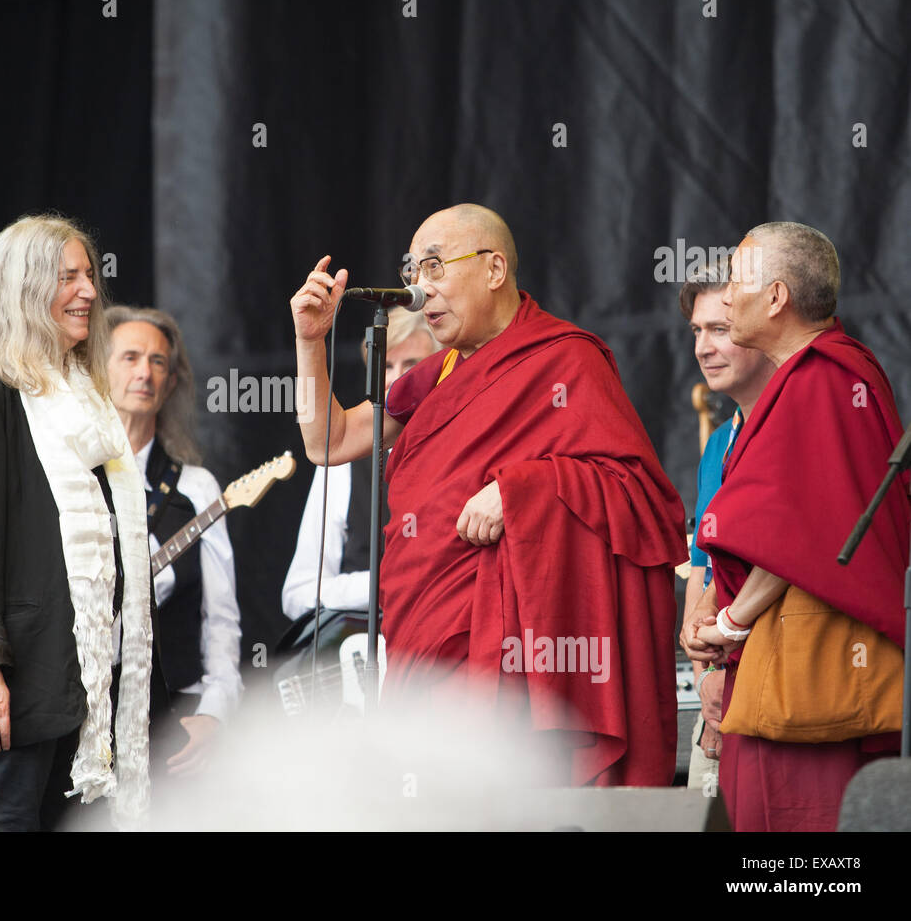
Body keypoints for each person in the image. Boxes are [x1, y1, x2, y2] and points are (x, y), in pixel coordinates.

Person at [289, 203, 688, 786]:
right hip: (423, 626)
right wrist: (309, 344)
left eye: (433, 268)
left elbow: (640, 497)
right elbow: (329, 441)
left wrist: (526, 489)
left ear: (494, 269)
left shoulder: (564, 358)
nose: (419, 292)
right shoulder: (441, 373)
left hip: (512, 644)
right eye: (411, 274)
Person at [686, 221, 908, 830]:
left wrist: (729, 623)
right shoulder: (810, 377)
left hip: (814, 667)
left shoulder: (822, 377)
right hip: (776, 655)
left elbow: (804, 530)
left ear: (777, 296)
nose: (727, 297)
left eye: (736, 281)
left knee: (800, 837)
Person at [0, 215, 153, 830]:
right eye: (67, 277)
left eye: (89, 275)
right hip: (19, 688)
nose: (88, 290)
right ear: (25, 290)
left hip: (88, 688)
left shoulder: (91, 401)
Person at [106, 305, 242, 777]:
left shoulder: (198, 488)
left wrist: (215, 711)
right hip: (89, 718)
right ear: (99, 369)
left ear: (169, 382)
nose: (144, 371)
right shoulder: (71, 481)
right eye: (130, 357)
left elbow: (220, 619)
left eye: (158, 362)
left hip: (175, 717)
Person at [677, 262, 776, 791]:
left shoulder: (797, 424)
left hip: (783, 689)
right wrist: (707, 677)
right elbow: (700, 566)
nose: (703, 347)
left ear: (765, 331)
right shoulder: (718, 443)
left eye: (721, 329)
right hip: (720, 696)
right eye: (697, 330)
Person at [281, 306, 440, 621]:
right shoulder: (344, 462)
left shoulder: (464, 451)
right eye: (387, 366)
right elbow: (298, 593)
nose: (396, 379)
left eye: (412, 366)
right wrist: (387, 586)